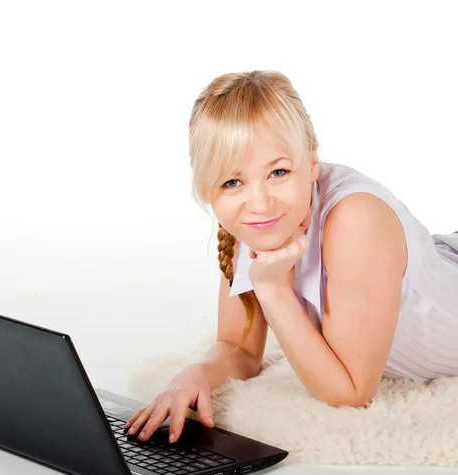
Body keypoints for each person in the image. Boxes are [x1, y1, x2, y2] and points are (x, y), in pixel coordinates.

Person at [125, 70, 458, 445]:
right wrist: (196, 373)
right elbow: (241, 348)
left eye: (278, 172)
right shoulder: (253, 225)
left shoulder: (355, 220)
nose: (260, 203)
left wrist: (272, 290)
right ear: (208, 187)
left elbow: (350, 394)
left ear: (312, 162)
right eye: (232, 182)